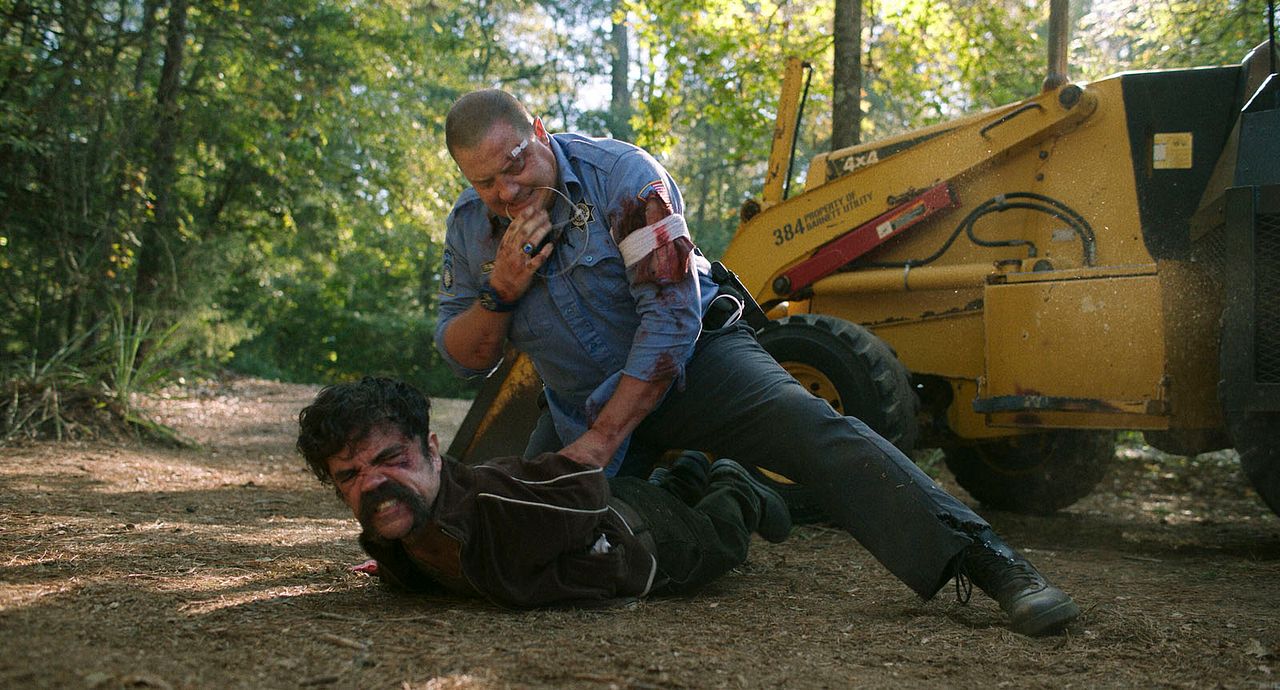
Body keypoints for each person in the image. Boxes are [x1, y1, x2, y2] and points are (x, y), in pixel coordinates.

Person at [434, 89, 1080, 635]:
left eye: (516, 163)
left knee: (814, 430)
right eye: (484, 181)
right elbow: (463, 358)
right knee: (543, 542)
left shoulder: (624, 178)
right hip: (581, 404)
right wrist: (501, 291)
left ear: (540, 132)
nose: (508, 188)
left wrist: (605, 440)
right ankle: (723, 494)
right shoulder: (469, 229)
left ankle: (992, 565)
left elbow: (671, 317)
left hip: (697, 364)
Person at [295, 376, 792, 608]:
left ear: (431, 449)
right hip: (631, 505)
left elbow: (581, 488)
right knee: (666, 488)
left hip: (647, 541)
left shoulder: (496, 503)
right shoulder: (396, 533)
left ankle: (732, 481)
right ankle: (685, 470)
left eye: (391, 460)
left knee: (721, 539)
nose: (373, 483)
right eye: (350, 475)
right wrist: (396, 565)